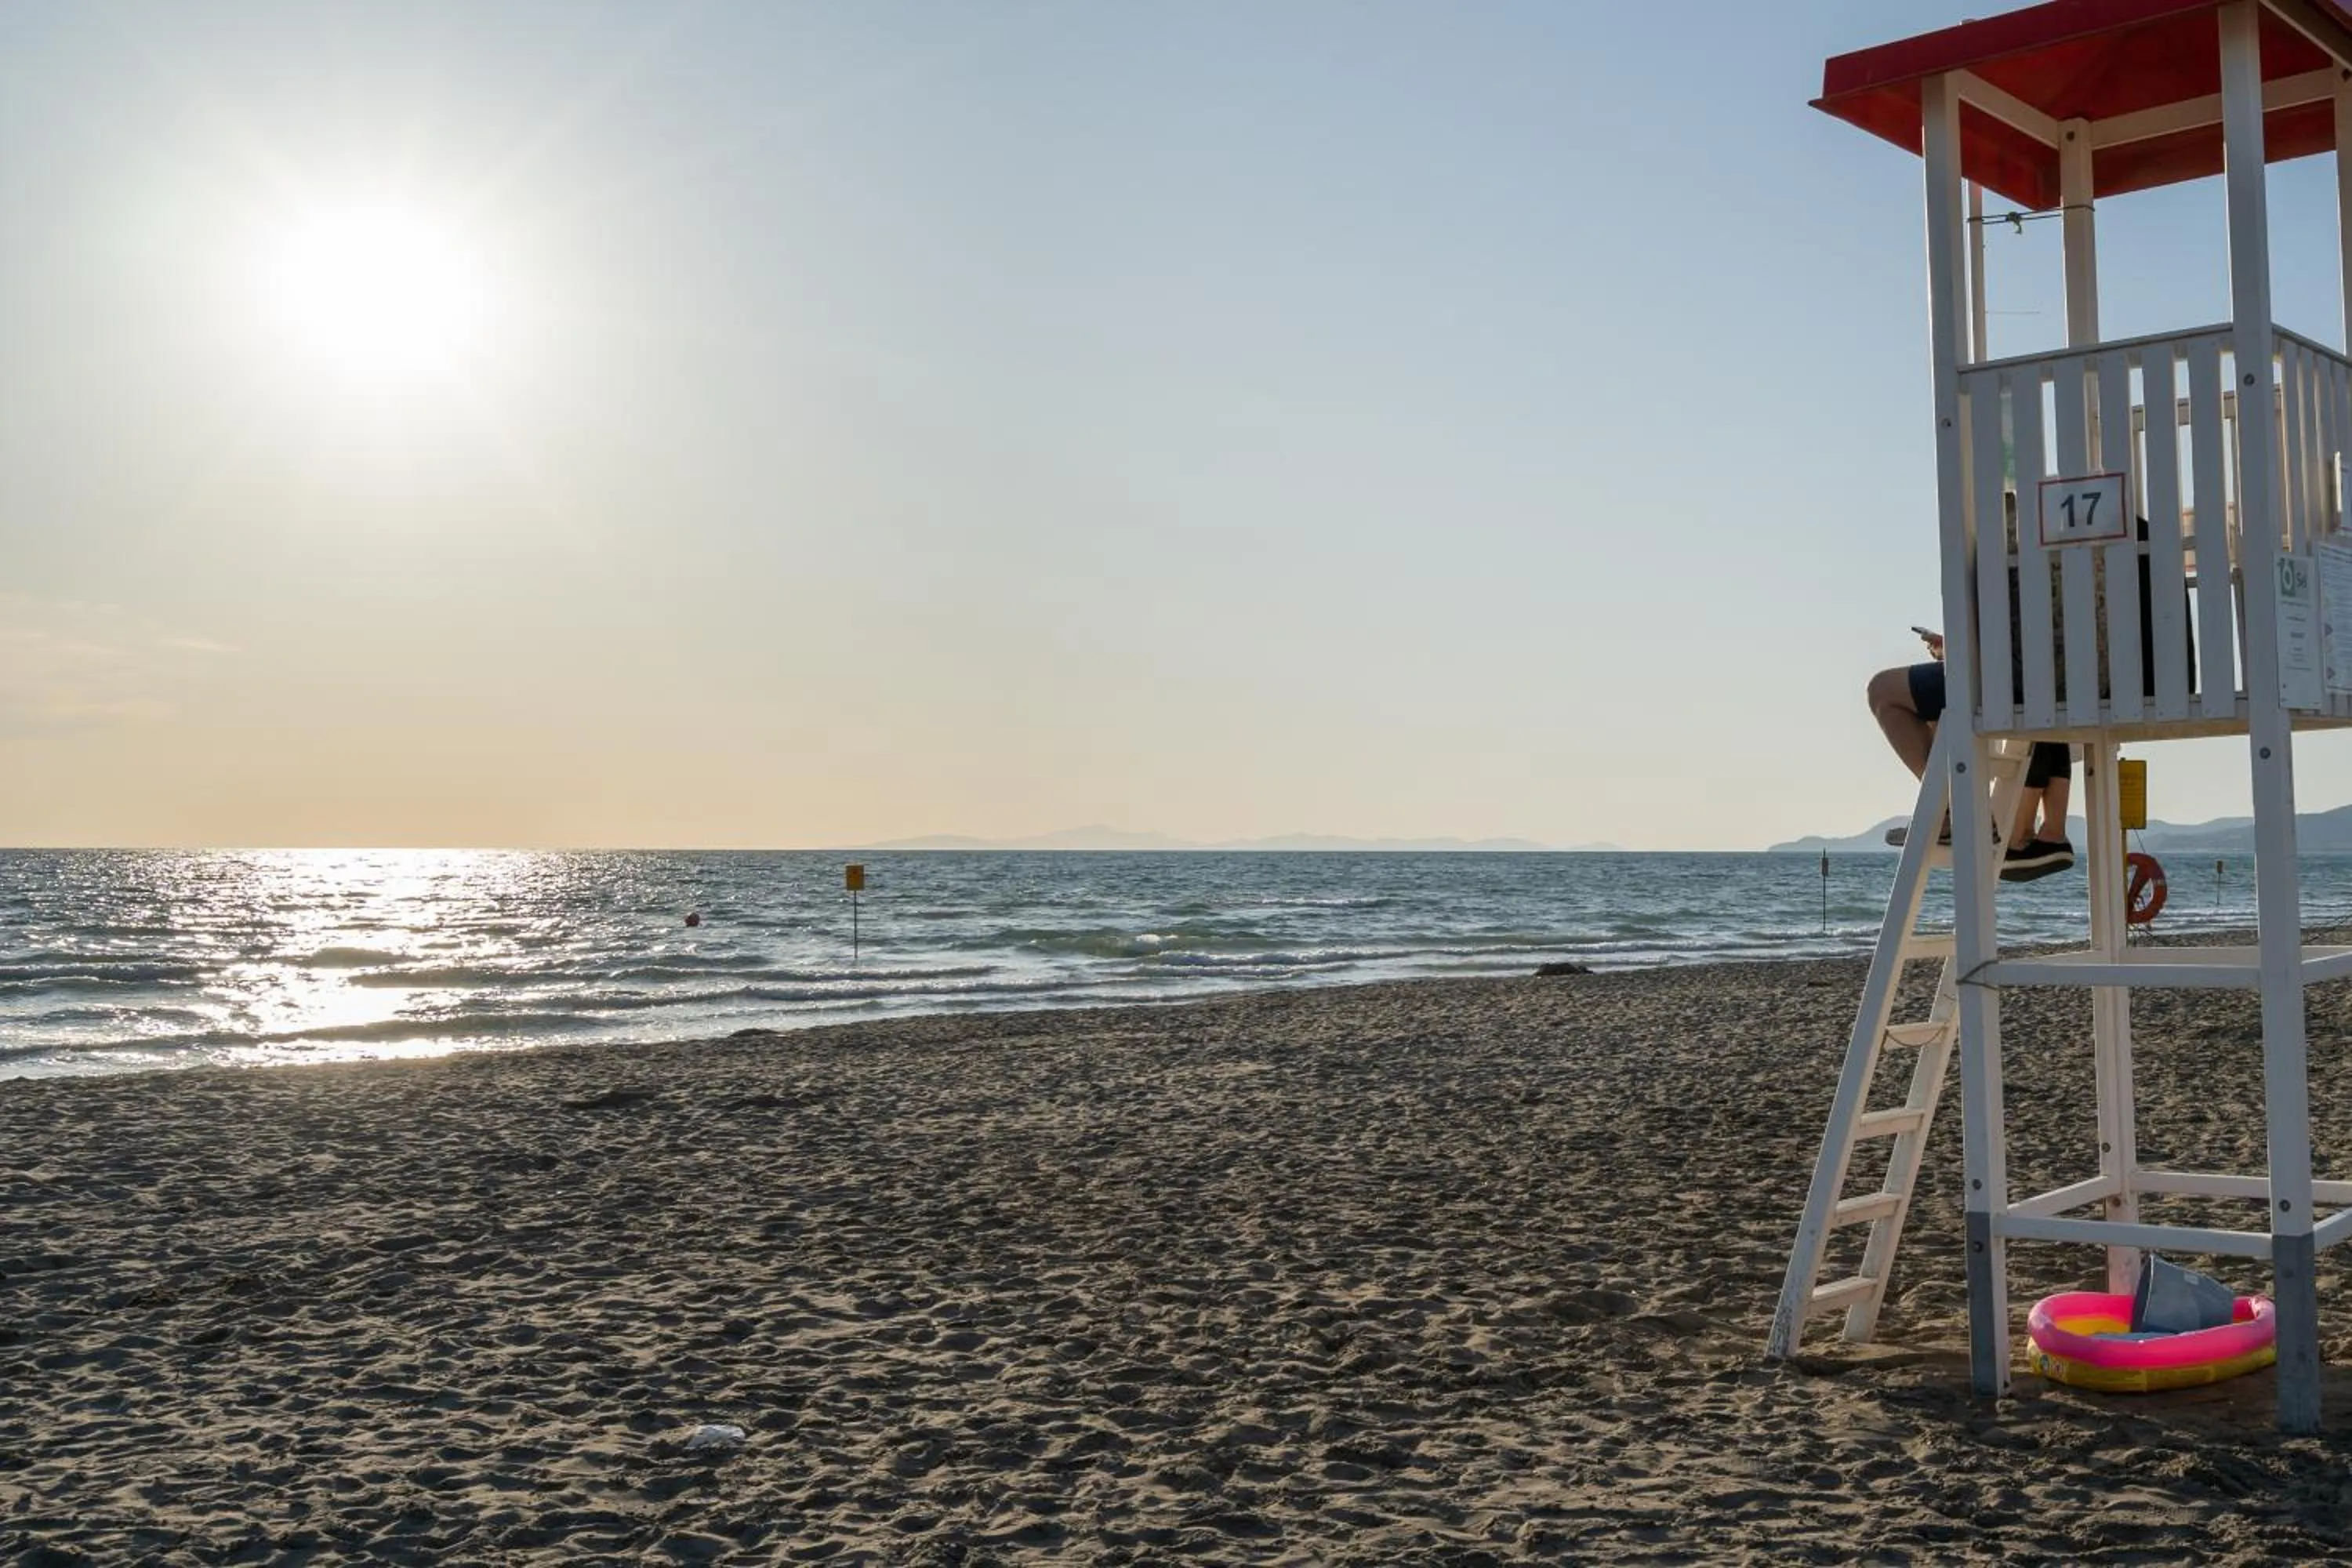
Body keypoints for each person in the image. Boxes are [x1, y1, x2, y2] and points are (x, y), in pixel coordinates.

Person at [1866, 628, 2074, 880]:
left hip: (2011, 683)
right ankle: (2053, 833)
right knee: (2046, 698)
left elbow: (2003, 639)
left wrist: (1951, 651)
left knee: (1882, 690)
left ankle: (1949, 809)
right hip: (2088, 685)